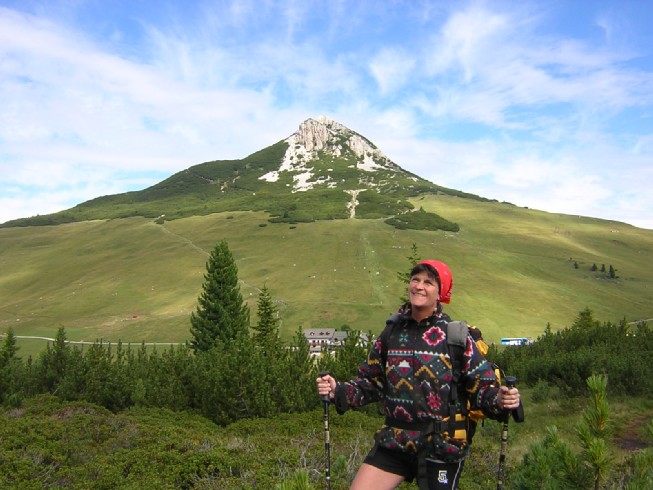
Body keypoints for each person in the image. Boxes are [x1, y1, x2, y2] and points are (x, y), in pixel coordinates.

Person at [316, 260, 521, 490]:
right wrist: (339, 390)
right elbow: (372, 382)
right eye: (415, 279)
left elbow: (480, 387)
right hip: (395, 441)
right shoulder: (391, 332)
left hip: (441, 445)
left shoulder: (455, 336)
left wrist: (501, 399)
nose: (419, 286)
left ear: (440, 293)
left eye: (428, 282)